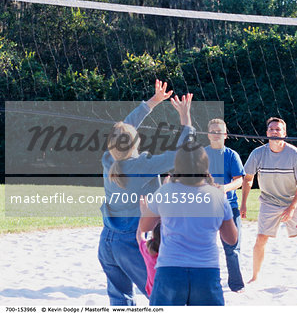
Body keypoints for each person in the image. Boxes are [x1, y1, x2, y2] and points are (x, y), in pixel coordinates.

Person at [98, 80, 193, 305]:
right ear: (136, 142)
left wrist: (152, 102)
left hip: (108, 242)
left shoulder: (108, 159)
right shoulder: (142, 164)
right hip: (132, 242)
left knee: (120, 299)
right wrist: (185, 118)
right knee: (160, 296)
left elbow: (123, 130)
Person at [139, 142, 238, 306]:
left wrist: (148, 211)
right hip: (206, 270)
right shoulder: (217, 195)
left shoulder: (165, 192)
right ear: (205, 165)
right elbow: (232, 239)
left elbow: (145, 227)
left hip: (170, 269)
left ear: (177, 165)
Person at [241, 117, 297, 283]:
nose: (275, 132)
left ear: (284, 133)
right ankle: (254, 277)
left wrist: (291, 207)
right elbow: (248, 179)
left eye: (278, 129)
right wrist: (243, 204)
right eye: (272, 129)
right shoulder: (258, 153)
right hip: (269, 201)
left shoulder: (294, 154)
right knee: (261, 238)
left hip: (292, 200)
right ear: (267, 133)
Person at [204, 118, 246, 292]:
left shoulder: (231, 155)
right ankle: (207, 283)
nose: (215, 134)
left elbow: (239, 181)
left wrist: (224, 188)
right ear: (208, 134)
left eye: (219, 131)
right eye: (212, 131)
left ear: (225, 134)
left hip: (229, 207)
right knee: (205, 248)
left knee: (232, 248)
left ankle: (236, 285)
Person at [136, 222, 161, 298]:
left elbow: (139, 235)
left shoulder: (148, 251)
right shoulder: (172, 255)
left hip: (154, 294)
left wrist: (144, 217)